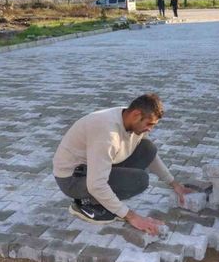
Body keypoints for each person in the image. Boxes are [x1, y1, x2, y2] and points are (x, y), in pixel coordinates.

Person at [53, 93, 193, 235]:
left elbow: (152, 157)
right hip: (72, 180)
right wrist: (131, 217)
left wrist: (174, 184)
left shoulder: (130, 119)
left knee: (147, 148)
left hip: (91, 167)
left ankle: (103, 198)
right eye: (149, 124)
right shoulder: (107, 133)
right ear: (136, 114)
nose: (150, 129)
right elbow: (96, 184)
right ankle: (85, 203)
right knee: (139, 180)